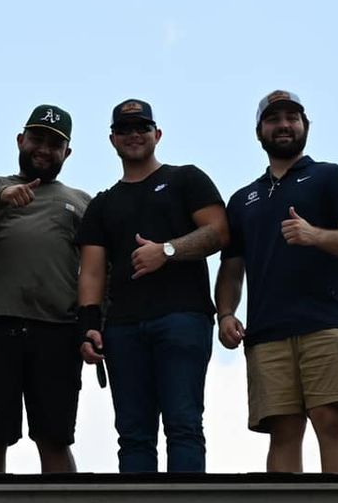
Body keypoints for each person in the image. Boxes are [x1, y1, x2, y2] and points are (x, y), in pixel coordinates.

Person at [215, 90, 338, 473]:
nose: (284, 125)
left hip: (326, 323)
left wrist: (313, 235)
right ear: (259, 132)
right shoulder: (243, 198)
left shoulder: (332, 177)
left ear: (306, 126)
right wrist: (225, 314)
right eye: (274, 119)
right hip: (267, 331)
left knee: (331, 421)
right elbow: (232, 267)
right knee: (282, 432)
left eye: (292, 118)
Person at [74, 100, 227, 473]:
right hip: (123, 328)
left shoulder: (186, 179)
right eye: (125, 129)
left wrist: (168, 250)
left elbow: (219, 231)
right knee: (133, 434)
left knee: (183, 424)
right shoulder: (102, 204)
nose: (134, 135)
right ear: (112, 139)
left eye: (142, 128)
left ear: (157, 134)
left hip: (183, 318)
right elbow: (91, 272)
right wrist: (89, 324)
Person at [0, 105, 91, 473]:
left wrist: (96, 323)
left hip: (58, 329)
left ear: (67, 153)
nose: (44, 149)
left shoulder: (82, 201)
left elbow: (99, 268)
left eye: (54, 143)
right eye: (37, 139)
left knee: (55, 436)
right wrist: (2, 196)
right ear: (20, 140)